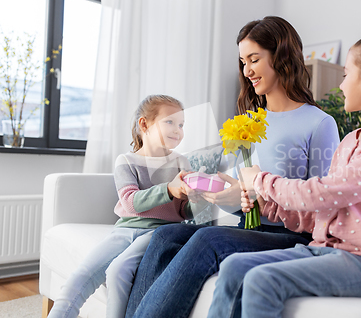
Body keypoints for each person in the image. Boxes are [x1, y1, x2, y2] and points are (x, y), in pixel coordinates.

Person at [207, 29, 361, 318]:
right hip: (326, 249)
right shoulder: (352, 140)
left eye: (345, 74)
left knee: (262, 281)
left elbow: (323, 191)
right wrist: (269, 208)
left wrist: (261, 181)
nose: (340, 86)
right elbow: (325, 210)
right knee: (233, 266)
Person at [125, 16, 340, 318]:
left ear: (281, 56)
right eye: (243, 61)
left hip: (291, 237)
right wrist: (229, 197)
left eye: (254, 59)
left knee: (208, 239)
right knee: (165, 237)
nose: (247, 70)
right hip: (248, 229)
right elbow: (243, 199)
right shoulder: (250, 122)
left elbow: (322, 208)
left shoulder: (320, 123)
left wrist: (256, 200)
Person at [48, 95, 194, 318]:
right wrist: (168, 189)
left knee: (119, 270)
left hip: (158, 232)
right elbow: (130, 202)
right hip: (124, 229)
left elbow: (184, 212)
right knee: (82, 275)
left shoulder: (181, 163)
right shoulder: (126, 161)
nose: (178, 130)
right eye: (170, 122)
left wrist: (196, 199)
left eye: (181, 124)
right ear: (144, 124)